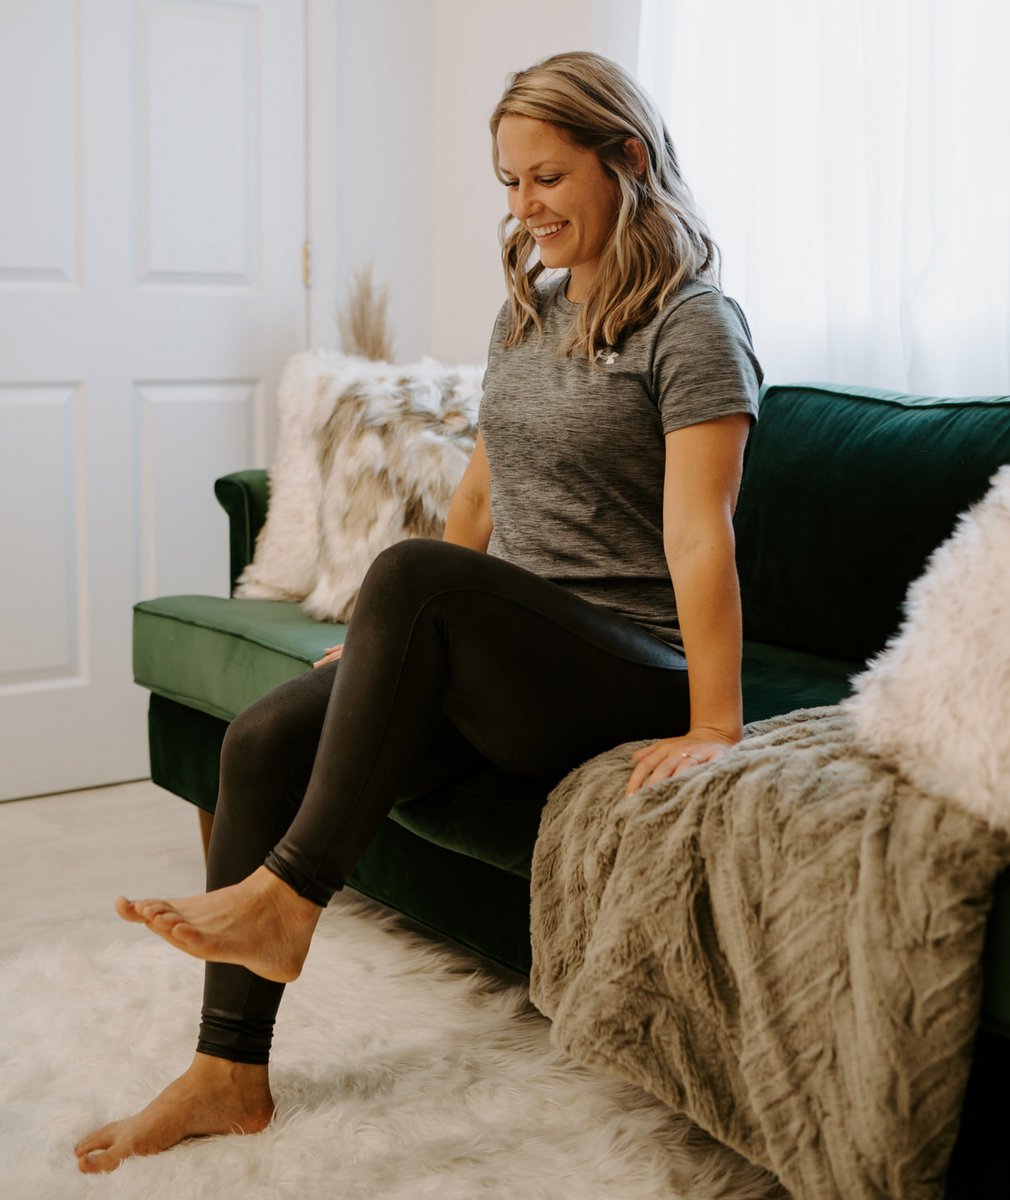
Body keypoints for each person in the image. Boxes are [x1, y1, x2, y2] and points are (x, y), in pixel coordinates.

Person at [74, 50, 762, 1173]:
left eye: (546, 177)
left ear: (625, 161)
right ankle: (225, 1072)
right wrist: (399, 646)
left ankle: (287, 900)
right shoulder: (526, 317)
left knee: (403, 578)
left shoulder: (692, 328)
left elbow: (700, 534)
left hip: (627, 663)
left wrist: (714, 723)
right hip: (511, 649)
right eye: (507, 182)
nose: (523, 206)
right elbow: (481, 494)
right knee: (261, 740)